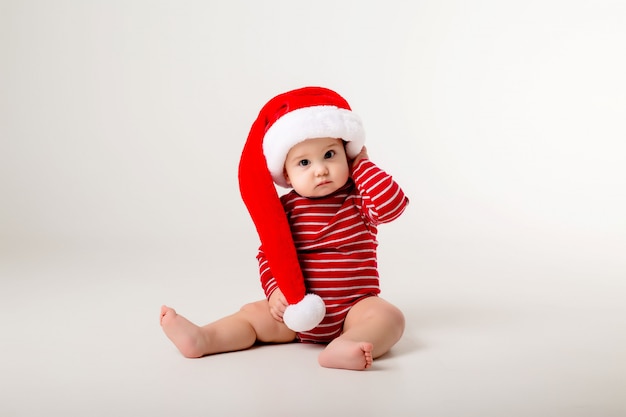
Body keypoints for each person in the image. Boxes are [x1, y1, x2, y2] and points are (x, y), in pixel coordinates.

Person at [160, 87, 409, 370]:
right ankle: (204, 338)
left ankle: (347, 345)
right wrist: (275, 289)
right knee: (252, 315)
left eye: (330, 154)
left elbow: (392, 205)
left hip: (354, 308)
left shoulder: (359, 200)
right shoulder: (285, 211)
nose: (320, 169)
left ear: (347, 155)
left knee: (389, 317)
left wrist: (362, 165)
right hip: (297, 311)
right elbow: (268, 254)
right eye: (304, 162)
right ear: (287, 174)